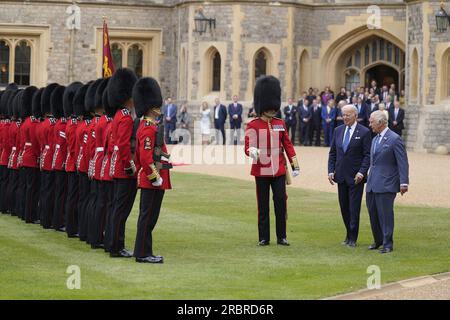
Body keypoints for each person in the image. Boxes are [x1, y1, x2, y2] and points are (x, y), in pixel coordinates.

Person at [245, 75, 300, 246]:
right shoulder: (252, 125)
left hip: (278, 170)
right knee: (263, 205)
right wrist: (253, 151)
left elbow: (288, 145)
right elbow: (248, 146)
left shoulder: (279, 123)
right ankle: (264, 237)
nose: (272, 111)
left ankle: (281, 236)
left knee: (280, 202)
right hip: (261, 170)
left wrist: (295, 165)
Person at [132, 77, 172, 264]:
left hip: (155, 177)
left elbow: (155, 153)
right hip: (151, 180)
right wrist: (155, 177)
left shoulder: (151, 126)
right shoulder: (147, 128)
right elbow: (146, 158)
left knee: (150, 218)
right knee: (147, 217)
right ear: (150, 106)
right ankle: (142, 253)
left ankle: (144, 251)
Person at [328, 105, 371, 247]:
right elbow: (333, 153)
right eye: (343, 115)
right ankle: (348, 234)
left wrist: (362, 172)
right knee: (344, 208)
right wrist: (330, 170)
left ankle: (353, 237)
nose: (344, 117)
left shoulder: (364, 132)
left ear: (355, 115)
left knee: (354, 208)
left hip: (356, 177)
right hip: (340, 176)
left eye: (347, 115)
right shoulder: (338, 130)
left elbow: (367, 155)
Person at [366, 111, 409, 254]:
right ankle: (378, 240)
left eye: (372, 121)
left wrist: (404, 182)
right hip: (372, 183)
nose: (369, 124)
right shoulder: (374, 139)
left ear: (381, 122)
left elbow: (402, 162)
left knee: (385, 215)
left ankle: (387, 243)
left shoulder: (394, 139)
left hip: (386, 183)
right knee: (373, 213)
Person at [107, 68, 138, 258]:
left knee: (117, 208)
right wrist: (130, 166)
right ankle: (117, 246)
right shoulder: (126, 117)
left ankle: (113, 243)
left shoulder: (119, 115)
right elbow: (124, 145)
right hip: (123, 169)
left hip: (116, 166)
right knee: (121, 210)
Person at [62, 81, 83, 237]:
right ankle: (71, 227)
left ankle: (71, 226)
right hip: (74, 163)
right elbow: (75, 146)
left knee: (72, 196)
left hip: (72, 162)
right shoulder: (74, 123)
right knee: (73, 197)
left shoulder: (71, 122)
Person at [19, 86, 40, 224]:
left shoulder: (25, 122)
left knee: (27, 187)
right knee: (32, 189)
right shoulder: (33, 123)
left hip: (25, 156)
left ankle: (24, 213)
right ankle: (29, 216)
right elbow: (35, 142)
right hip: (32, 157)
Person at [39, 83, 59, 229]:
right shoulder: (52, 124)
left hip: (44, 156)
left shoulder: (42, 123)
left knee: (45, 190)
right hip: (52, 157)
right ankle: (48, 220)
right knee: (50, 191)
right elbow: (53, 144)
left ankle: (44, 218)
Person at [49, 85, 68, 232]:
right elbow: (62, 146)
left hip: (55, 158)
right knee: (61, 193)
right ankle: (58, 222)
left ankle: (56, 220)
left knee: (58, 192)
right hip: (60, 159)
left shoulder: (57, 123)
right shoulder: (62, 124)